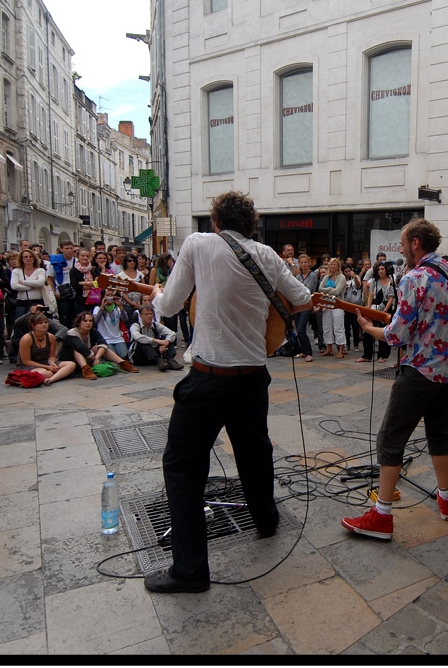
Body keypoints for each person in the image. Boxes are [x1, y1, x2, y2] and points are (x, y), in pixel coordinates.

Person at [143, 190, 311, 594]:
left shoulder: (199, 244)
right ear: (250, 225)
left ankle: (189, 570)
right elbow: (302, 298)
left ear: (216, 221)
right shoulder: (268, 255)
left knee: (183, 467)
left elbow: (168, 308)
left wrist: (155, 296)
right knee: (255, 452)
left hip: (208, 376)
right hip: (253, 377)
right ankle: (266, 520)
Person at [342, 218, 448, 540]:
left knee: (391, 438)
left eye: (403, 243)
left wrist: (368, 328)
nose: (400, 249)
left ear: (416, 243)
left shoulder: (414, 278)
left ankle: (382, 516)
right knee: (438, 434)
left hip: (419, 371)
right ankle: (446, 498)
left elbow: (397, 335)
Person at [59, 310, 137, 379]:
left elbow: (102, 342)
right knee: (77, 350)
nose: (88, 323)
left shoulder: (92, 331)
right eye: (85, 321)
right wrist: (94, 357)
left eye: (90, 321)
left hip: (88, 357)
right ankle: (85, 370)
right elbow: (80, 347)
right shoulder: (71, 334)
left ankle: (123, 363)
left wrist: (97, 357)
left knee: (100, 347)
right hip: (70, 361)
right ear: (79, 323)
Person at [17, 312, 76, 385]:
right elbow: (26, 361)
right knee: (46, 373)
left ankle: (51, 380)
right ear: (33, 325)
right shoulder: (27, 338)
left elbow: (51, 356)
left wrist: (52, 363)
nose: (44, 325)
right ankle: (56, 375)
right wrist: (46, 367)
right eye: (40, 323)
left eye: (45, 322)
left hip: (46, 363)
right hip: (31, 366)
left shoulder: (50, 337)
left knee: (71, 364)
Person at [357, 262, 395, 363]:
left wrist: (386, 309)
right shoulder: (374, 281)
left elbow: (391, 298)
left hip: (385, 309)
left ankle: (382, 355)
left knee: (383, 331)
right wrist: (368, 307)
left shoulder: (391, 282)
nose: (380, 271)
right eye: (379, 269)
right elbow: (371, 294)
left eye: (382, 269)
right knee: (368, 331)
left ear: (386, 270)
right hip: (374, 307)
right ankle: (367, 355)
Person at [129, 304, 182, 370]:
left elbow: (172, 333)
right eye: (146, 314)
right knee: (143, 341)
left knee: (167, 337)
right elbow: (137, 336)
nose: (149, 316)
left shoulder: (156, 325)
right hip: (139, 357)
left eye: (151, 314)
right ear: (140, 315)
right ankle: (158, 361)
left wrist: (166, 342)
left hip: (152, 356)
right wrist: (157, 341)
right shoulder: (135, 326)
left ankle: (170, 360)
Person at [10, 249, 48, 342]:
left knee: (35, 326)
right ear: (21, 259)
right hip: (21, 301)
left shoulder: (40, 270)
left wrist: (23, 282)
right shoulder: (17, 271)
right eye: (25, 257)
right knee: (19, 326)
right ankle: (16, 352)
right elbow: (14, 285)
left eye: (30, 256)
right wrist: (30, 287)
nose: (28, 259)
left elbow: (40, 283)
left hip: (36, 301)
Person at [317, 258, 348, 359]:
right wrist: (330, 289)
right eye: (331, 264)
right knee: (327, 326)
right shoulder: (326, 277)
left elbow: (337, 291)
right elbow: (319, 289)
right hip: (327, 305)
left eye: (335, 264)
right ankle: (329, 348)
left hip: (337, 304)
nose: (333, 266)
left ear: (338, 266)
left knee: (338, 327)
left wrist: (327, 291)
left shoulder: (341, 277)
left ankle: (341, 349)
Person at [291, 254, 319, 362]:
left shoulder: (312, 275)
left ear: (309, 263)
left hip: (307, 304)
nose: (304, 264)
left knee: (302, 328)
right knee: (298, 329)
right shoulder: (298, 276)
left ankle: (309, 352)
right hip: (297, 304)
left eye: (305, 262)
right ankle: (303, 350)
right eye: (302, 262)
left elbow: (308, 289)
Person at [46, 239, 78, 328]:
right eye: (66, 248)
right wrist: (54, 293)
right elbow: (50, 278)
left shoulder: (77, 261)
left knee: (75, 317)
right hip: (61, 293)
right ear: (61, 249)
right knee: (64, 317)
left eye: (71, 248)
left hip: (74, 292)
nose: (69, 250)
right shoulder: (54, 262)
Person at [93, 293, 130, 359]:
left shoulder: (117, 308)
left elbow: (125, 319)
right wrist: (102, 307)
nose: (110, 297)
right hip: (105, 338)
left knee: (123, 355)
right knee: (113, 355)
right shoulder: (97, 308)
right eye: (107, 295)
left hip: (118, 338)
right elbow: (96, 321)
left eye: (112, 295)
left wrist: (121, 306)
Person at [341, 265, 365, 352]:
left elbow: (359, 286)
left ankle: (356, 344)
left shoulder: (356, 277)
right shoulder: (342, 279)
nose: (348, 273)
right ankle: (347, 344)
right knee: (346, 326)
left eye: (349, 271)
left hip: (355, 305)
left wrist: (354, 277)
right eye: (346, 272)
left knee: (355, 326)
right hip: (346, 305)